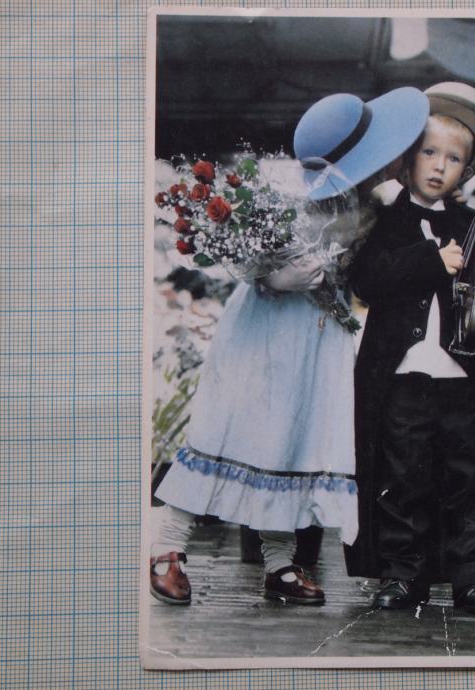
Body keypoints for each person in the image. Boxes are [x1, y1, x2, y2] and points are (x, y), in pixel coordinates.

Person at [149, 87, 430, 606]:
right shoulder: (298, 202)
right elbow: (266, 267)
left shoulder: (374, 205)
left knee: (293, 436)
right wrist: (285, 273)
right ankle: (168, 544)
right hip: (267, 329)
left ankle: (280, 563)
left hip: (318, 336)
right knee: (234, 426)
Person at [345, 83, 475, 614]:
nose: (438, 166)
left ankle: (473, 576)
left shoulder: (473, 224)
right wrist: (431, 261)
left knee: (470, 477)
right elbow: (367, 280)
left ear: (467, 171)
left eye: (453, 159)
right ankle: (403, 573)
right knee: (401, 476)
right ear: (407, 158)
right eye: (429, 152)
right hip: (402, 376)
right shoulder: (384, 220)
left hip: (464, 379)